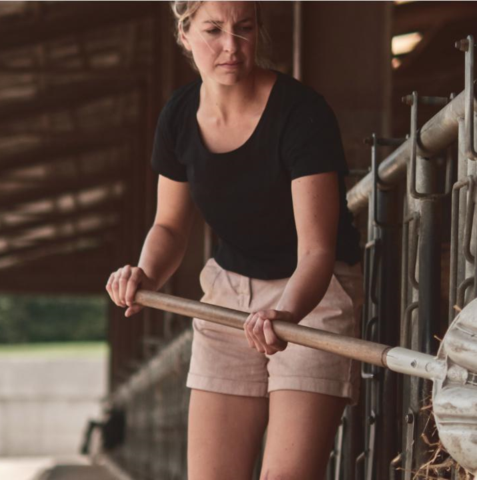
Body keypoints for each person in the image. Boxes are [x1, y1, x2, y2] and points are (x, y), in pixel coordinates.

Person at [105, 1, 364, 479]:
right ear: (184, 35)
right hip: (227, 296)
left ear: (258, 31)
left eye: (244, 29)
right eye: (213, 30)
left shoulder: (301, 112)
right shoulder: (179, 116)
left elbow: (317, 250)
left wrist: (285, 313)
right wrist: (146, 273)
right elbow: (169, 226)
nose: (230, 46)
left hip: (312, 294)